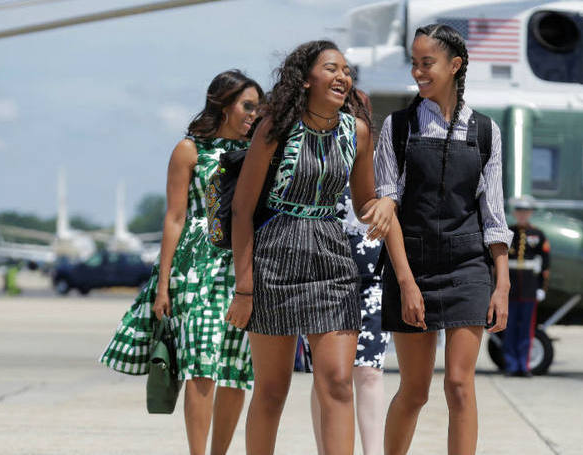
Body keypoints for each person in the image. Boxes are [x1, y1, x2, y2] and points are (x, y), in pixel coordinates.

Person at [226, 40, 388, 455]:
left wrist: (387, 202)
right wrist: (244, 288)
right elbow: (242, 210)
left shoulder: (359, 131)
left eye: (347, 70)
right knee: (273, 388)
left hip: (333, 257)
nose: (343, 77)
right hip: (275, 256)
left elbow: (365, 202)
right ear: (305, 80)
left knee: (336, 380)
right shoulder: (275, 129)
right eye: (332, 68)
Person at [99, 70, 262, 455]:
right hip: (197, 270)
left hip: (242, 268)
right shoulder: (189, 150)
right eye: (248, 106)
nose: (254, 114)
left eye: (259, 107)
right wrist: (162, 285)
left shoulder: (260, 151)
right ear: (224, 104)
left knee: (236, 372)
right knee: (202, 367)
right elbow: (174, 218)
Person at [373, 24, 513, 454]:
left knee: (458, 384)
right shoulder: (397, 129)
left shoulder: (487, 132)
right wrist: (407, 282)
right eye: (414, 63)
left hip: (468, 266)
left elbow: (493, 215)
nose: (418, 71)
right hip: (408, 265)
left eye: (427, 63)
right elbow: (387, 209)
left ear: (455, 66)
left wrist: (502, 284)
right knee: (415, 391)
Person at [309, 185, 390, 455]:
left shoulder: (387, 152)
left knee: (369, 370)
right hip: (322, 274)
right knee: (327, 375)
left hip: (375, 274)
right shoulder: (319, 146)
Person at [504, 195, 550, 377]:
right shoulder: (508, 232)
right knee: (509, 328)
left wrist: (541, 288)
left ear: (530, 213)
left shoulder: (538, 235)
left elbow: (545, 265)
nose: (522, 215)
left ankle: (524, 365)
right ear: (514, 213)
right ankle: (511, 365)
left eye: (525, 212)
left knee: (526, 329)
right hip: (511, 287)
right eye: (519, 211)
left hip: (530, 288)